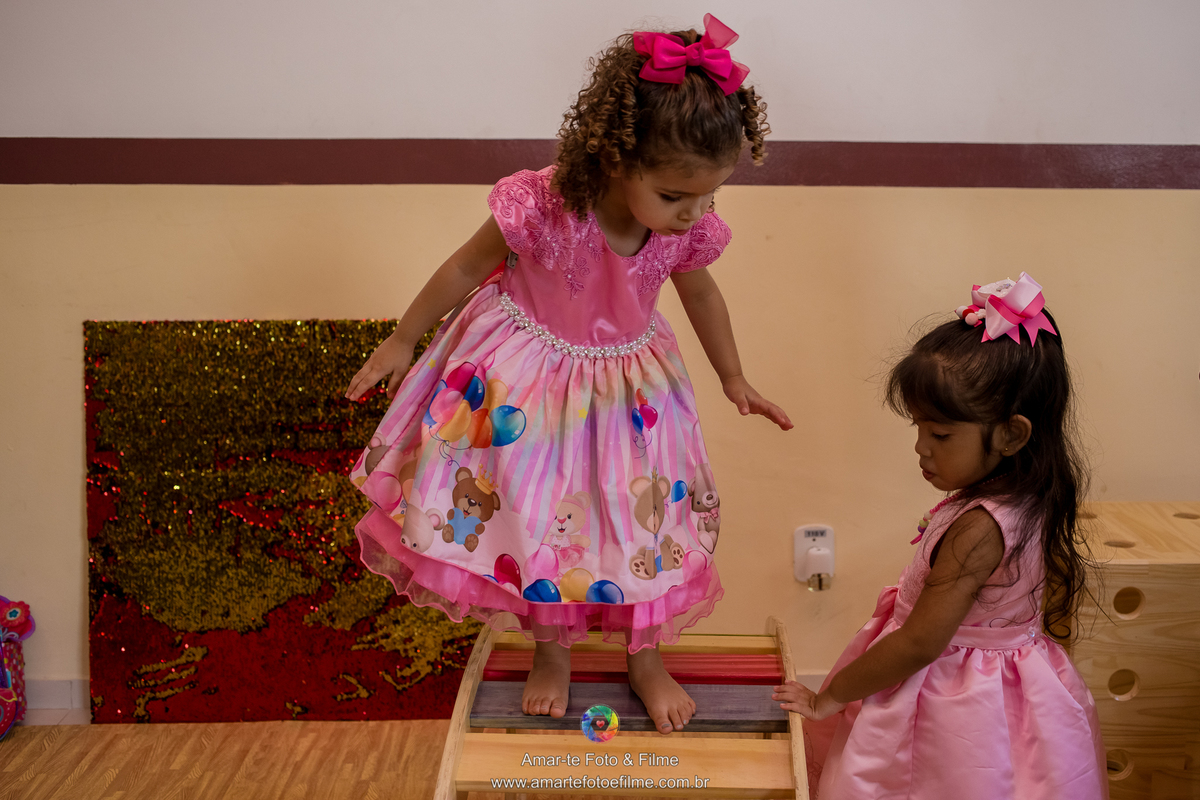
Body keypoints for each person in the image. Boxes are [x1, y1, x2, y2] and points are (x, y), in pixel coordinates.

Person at [345, 14, 791, 735]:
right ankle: (551, 652)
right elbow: (466, 265)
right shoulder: (545, 204)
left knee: (642, 521)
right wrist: (403, 338)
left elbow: (701, 293)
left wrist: (733, 377)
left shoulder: (681, 232)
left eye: (709, 196)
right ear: (617, 160)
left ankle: (645, 659)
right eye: (675, 196)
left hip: (632, 393)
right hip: (532, 387)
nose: (693, 214)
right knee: (541, 520)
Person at [774, 274, 1107, 799]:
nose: (921, 447)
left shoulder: (980, 528)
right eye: (919, 428)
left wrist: (828, 696)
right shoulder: (1024, 499)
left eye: (941, 433)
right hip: (1011, 693)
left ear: (1012, 434)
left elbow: (919, 643)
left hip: (955, 706)